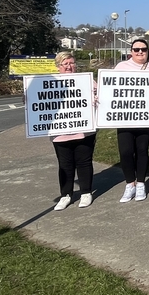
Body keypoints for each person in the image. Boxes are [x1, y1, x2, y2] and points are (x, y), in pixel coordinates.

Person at [114, 38, 149, 203]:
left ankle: (141, 184)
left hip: (145, 117)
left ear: (147, 51)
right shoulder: (121, 67)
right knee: (125, 152)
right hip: (124, 118)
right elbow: (111, 88)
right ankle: (130, 183)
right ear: (131, 52)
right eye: (136, 49)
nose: (140, 52)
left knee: (142, 151)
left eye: (143, 49)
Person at [50, 52, 97, 210]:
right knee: (65, 164)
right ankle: (66, 195)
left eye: (72, 63)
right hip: (60, 133)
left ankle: (86, 192)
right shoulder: (50, 82)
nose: (69, 66)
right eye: (65, 64)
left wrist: (97, 98)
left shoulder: (87, 81)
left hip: (84, 131)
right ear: (58, 67)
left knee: (84, 162)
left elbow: (102, 94)